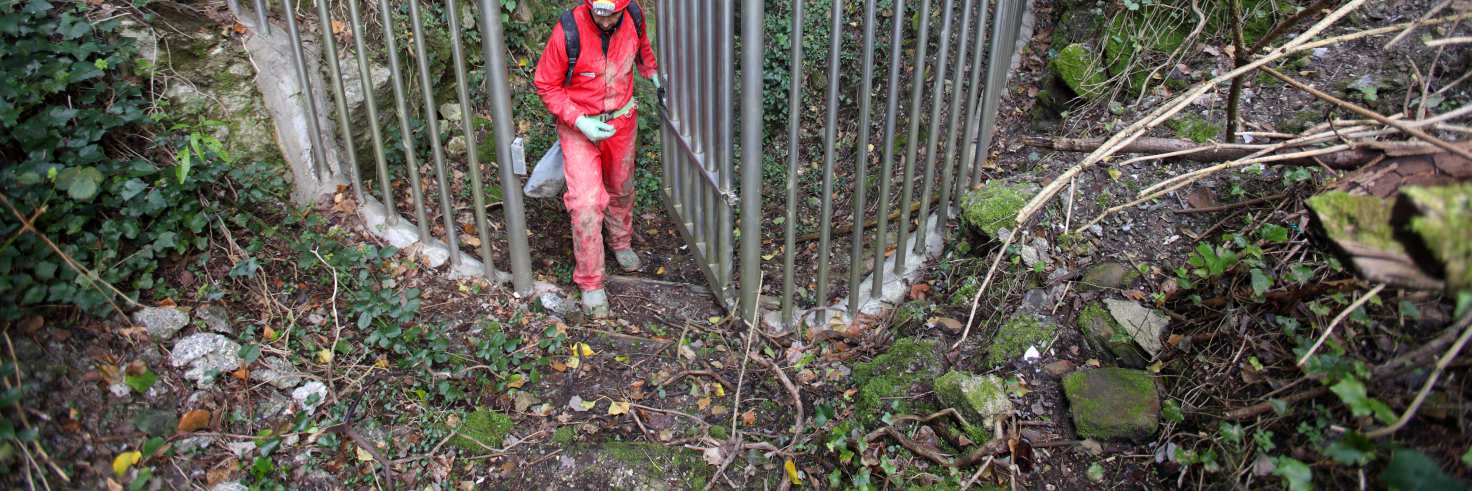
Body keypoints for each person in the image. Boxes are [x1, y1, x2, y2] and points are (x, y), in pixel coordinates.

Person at [534, 0, 660, 318]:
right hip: (580, 126)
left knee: (621, 185)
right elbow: (546, 85)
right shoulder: (568, 31)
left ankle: (620, 241)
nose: (605, 22)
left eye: (612, 14)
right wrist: (578, 120)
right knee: (586, 202)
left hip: (621, 119)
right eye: (599, 14)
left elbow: (642, 47)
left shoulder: (633, 16)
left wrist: (652, 72)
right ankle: (591, 281)